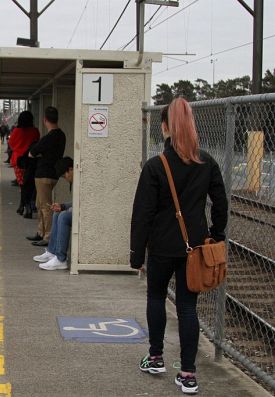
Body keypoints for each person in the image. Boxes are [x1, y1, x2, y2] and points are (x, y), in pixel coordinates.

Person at [130, 98, 228, 395]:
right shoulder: (206, 162)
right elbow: (221, 203)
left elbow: (142, 213)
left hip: (160, 246)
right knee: (187, 307)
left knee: (157, 297)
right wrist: (216, 234)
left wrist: (137, 254)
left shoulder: (155, 166)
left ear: (165, 127)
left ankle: (156, 357)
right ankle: (188, 374)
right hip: (194, 249)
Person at [26, 106, 66, 246]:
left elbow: (32, 153)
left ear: (45, 120)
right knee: (40, 204)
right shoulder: (61, 135)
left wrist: (41, 153)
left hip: (42, 175)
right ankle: (40, 232)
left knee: (45, 206)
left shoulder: (48, 137)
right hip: (53, 174)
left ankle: (47, 236)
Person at [33, 157, 73, 270]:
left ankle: (61, 259)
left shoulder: (82, 180)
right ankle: (52, 251)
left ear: (70, 169)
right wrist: (63, 206)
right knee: (57, 214)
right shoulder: (75, 180)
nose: (65, 178)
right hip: (78, 211)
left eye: (64, 175)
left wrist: (67, 209)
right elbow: (76, 202)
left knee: (64, 216)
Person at [8, 111, 40, 217]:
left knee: (22, 185)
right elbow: (37, 142)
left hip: (18, 161)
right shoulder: (35, 131)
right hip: (31, 161)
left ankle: (26, 207)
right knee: (29, 184)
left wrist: (19, 148)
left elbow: (11, 143)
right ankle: (24, 206)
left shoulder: (16, 131)